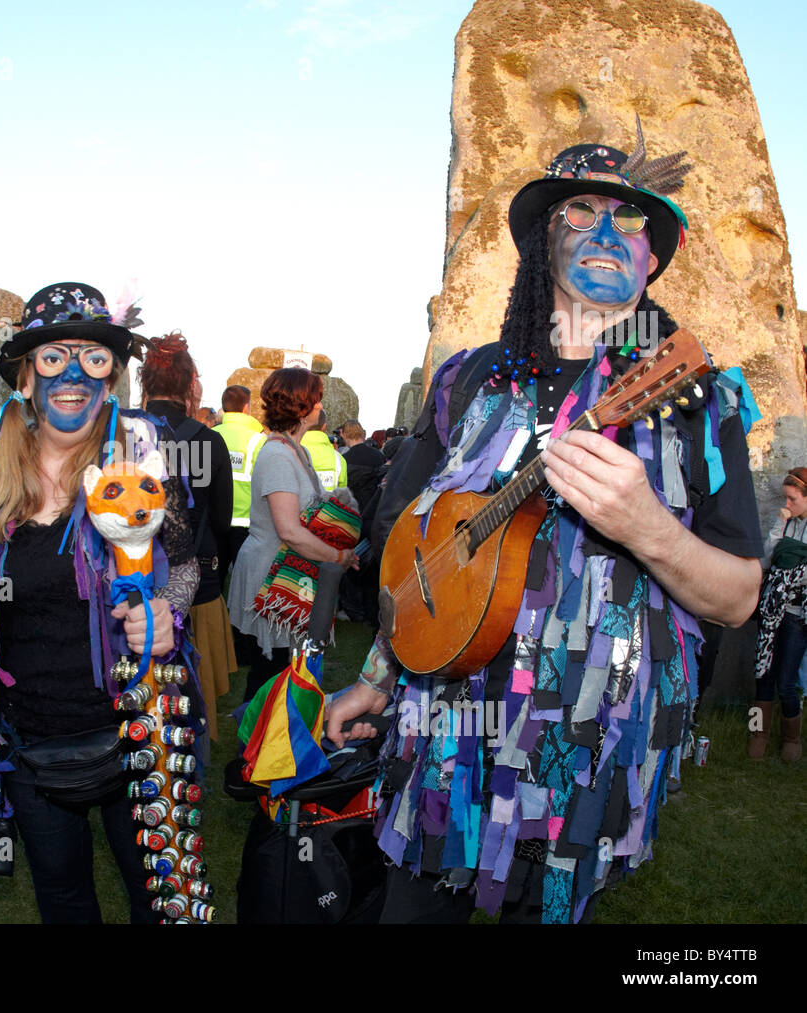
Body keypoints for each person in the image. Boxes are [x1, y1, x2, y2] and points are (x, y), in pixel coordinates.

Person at [327, 128, 763, 923]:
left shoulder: (700, 401)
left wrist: (649, 529)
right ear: (541, 239)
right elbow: (408, 549)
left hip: (586, 757)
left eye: (628, 220)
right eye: (580, 210)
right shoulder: (467, 380)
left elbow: (737, 600)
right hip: (445, 742)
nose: (605, 232)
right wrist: (378, 672)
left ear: (653, 258)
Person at [0, 282, 200, 923]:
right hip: (28, 738)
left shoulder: (141, 462)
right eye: (54, 357)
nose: (74, 374)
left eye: (93, 357)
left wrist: (169, 612)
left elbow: (187, 565)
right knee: (63, 900)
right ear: (26, 377)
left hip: (138, 727)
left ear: (111, 376)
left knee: (160, 900)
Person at [226, 368, 359, 703]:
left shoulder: (295, 451)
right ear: (302, 407)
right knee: (269, 673)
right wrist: (339, 557)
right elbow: (289, 530)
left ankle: (272, 745)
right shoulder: (277, 455)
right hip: (272, 576)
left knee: (281, 672)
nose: (320, 406)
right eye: (316, 399)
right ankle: (254, 750)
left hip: (287, 572)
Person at [139, 333, 236, 737]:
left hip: (135, 577)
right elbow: (222, 518)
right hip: (197, 575)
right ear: (191, 384)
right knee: (193, 678)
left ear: (145, 381)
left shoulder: (124, 433)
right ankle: (188, 735)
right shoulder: (211, 441)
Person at [750, 467, 807, 761]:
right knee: (762, 677)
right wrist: (779, 528)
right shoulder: (785, 523)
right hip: (772, 611)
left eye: (793, 499)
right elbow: (768, 558)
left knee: (786, 681)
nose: (787, 505)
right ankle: (757, 731)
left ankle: (792, 738)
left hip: (797, 616)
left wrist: (792, 560)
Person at [214, 384, 267, 569]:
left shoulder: (210, 435)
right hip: (246, 522)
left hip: (215, 519)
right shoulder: (259, 440)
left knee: (215, 578)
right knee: (244, 580)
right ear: (246, 407)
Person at [301, 407, 347, 493]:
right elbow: (342, 497)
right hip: (326, 505)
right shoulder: (339, 460)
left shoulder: (289, 451)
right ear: (324, 427)